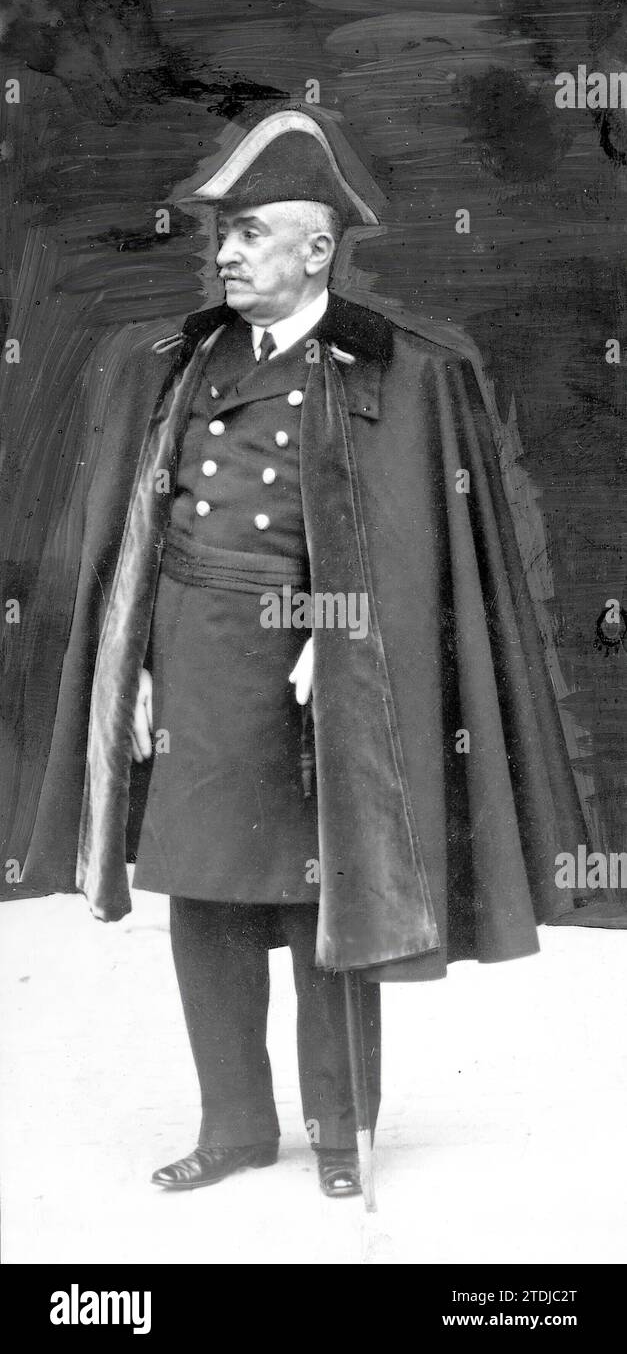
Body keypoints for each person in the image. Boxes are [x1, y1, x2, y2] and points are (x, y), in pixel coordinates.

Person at [19, 107, 587, 1199]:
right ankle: (234, 1125)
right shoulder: (172, 364)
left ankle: (339, 1131)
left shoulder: (405, 371)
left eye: (249, 232)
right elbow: (138, 538)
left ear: (318, 247)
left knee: (334, 898)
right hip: (193, 664)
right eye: (219, 235)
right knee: (205, 896)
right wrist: (127, 668)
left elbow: (418, 552)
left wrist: (345, 639)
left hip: (321, 680)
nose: (224, 252)